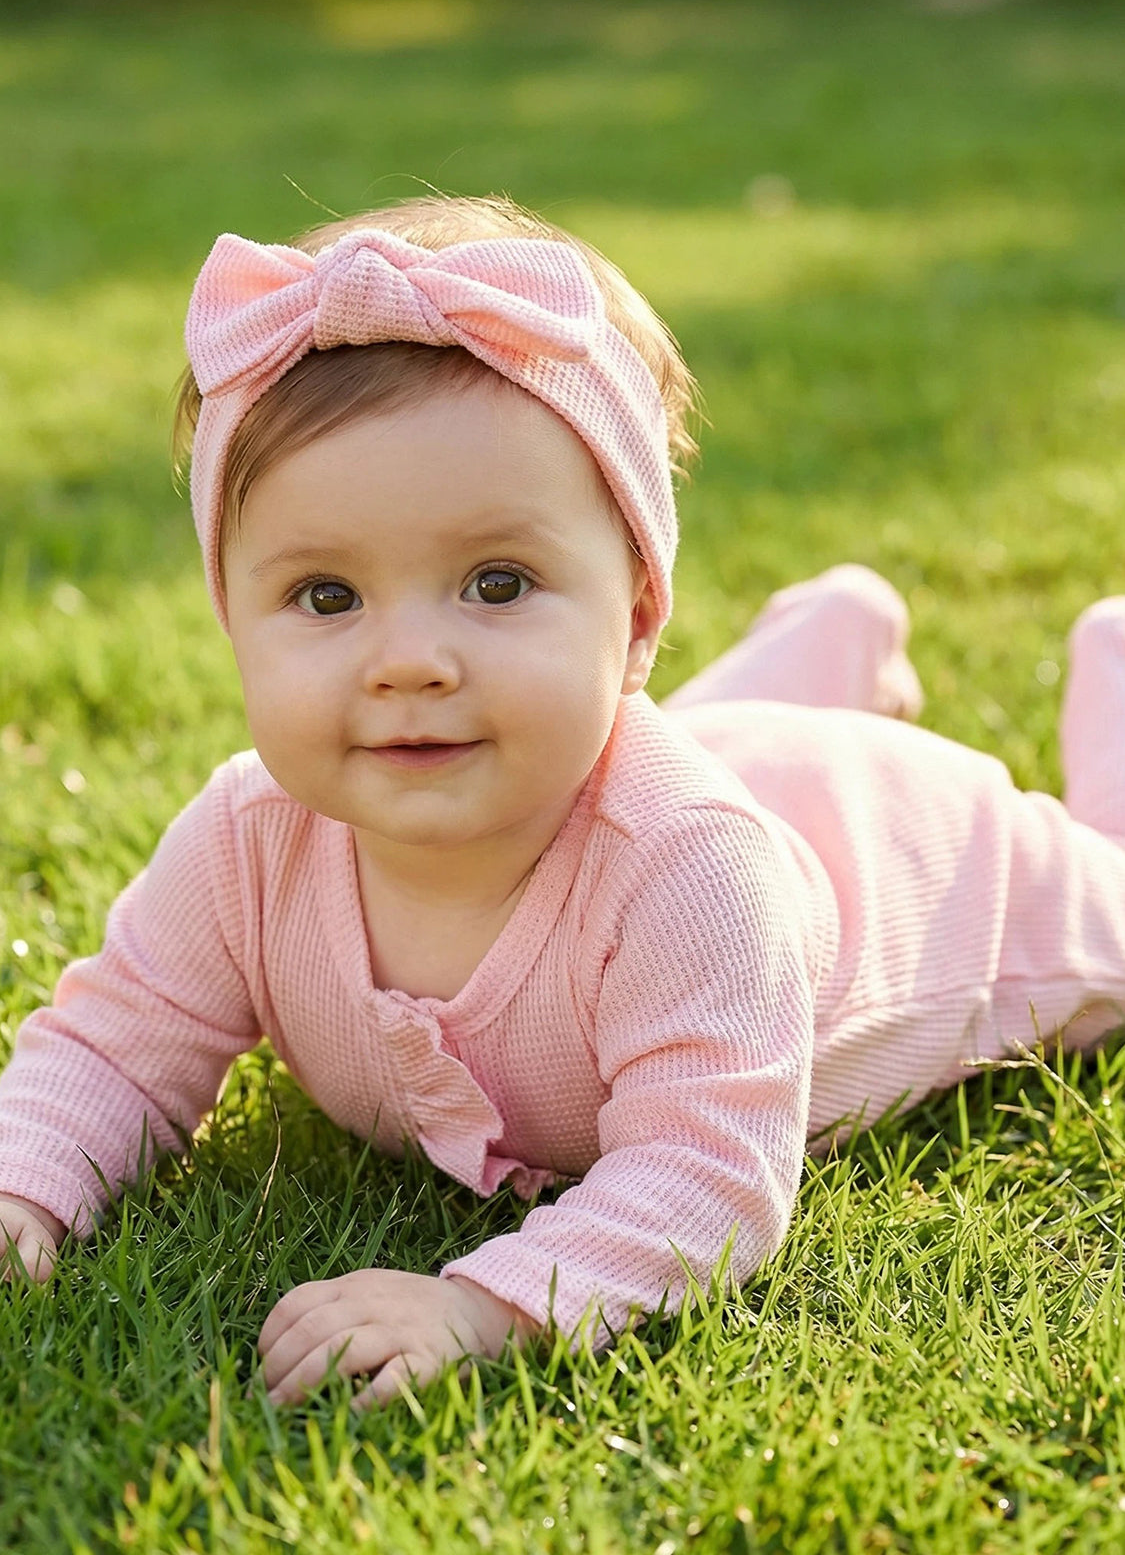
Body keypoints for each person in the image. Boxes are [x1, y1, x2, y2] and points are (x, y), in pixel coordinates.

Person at [2, 195, 1125, 1410]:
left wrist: (487, 1300)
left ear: (636, 613)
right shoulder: (245, 842)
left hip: (916, 853)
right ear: (235, 618)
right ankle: (831, 632)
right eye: (326, 597)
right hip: (697, 762)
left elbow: (710, 1168)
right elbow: (115, 1038)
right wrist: (23, 1182)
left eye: (497, 583)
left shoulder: (692, 874)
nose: (409, 660)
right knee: (689, 742)